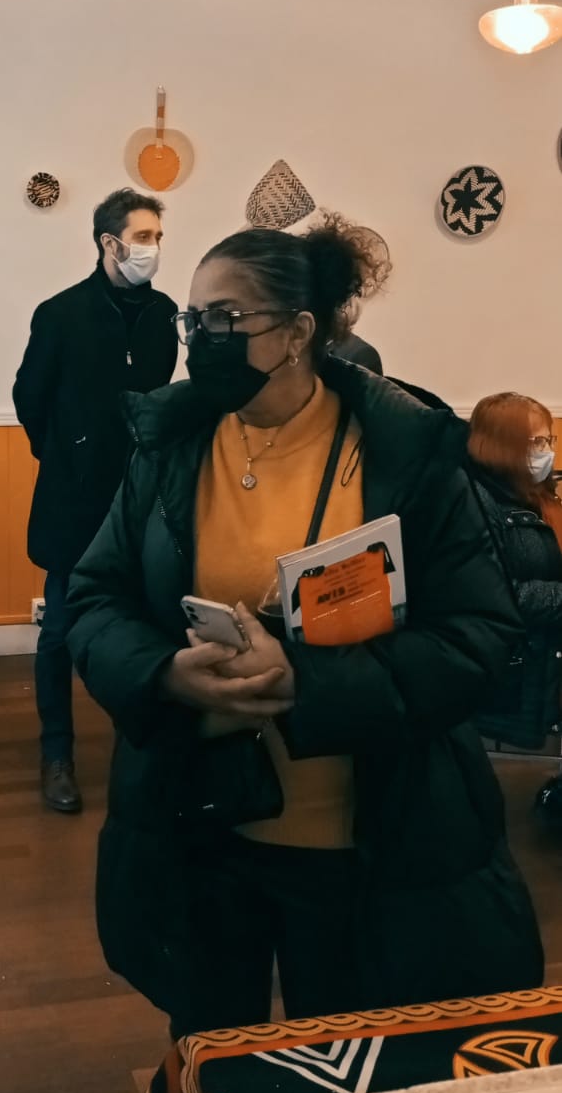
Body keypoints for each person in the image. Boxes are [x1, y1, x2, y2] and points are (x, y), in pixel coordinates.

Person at [67, 216, 542, 1039]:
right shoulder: (169, 444)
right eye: (193, 320)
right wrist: (162, 674)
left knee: (345, 1060)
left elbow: (475, 636)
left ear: (297, 334)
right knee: (213, 1050)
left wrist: (307, 683)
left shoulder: (407, 452)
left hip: (363, 845)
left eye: (226, 319)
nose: (201, 340)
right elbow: (94, 598)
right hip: (199, 826)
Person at [13, 188, 178, 814]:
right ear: (109, 243)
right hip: (72, 501)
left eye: (158, 236)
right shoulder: (60, 314)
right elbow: (30, 398)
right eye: (143, 237)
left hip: (140, 499)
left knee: (144, 625)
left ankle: (141, 746)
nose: (153, 248)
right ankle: (56, 753)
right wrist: (66, 455)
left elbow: (160, 400)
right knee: (59, 631)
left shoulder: (166, 314)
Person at [466, 394, 562, 757]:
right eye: (537, 441)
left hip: (544, 668)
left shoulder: (536, 495)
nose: (548, 451)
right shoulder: (476, 502)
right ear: (503, 445)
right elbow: (502, 593)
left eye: (548, 439)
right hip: (510, 682)